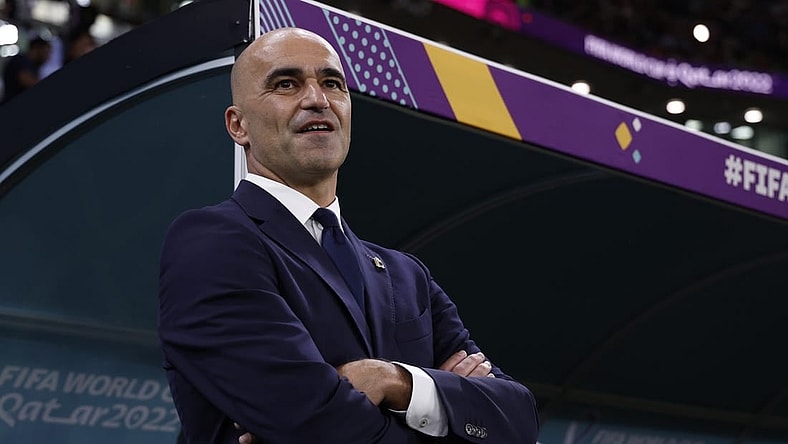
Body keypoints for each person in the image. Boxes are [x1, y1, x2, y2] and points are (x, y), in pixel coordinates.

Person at [158, 27, 539, 444]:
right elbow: (315, 422)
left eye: (331, 83)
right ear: (238, 126)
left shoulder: (406, 275)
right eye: (286, 84)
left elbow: (517, 419)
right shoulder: (212, 242)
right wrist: (447, 410)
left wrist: (397, 381)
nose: (316, 99)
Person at [1, 36, 51, 104]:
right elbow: (25, 80)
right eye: (46, 52)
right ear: (37, 48)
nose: (47, 57)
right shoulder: (22, 61)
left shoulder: (33, 66)